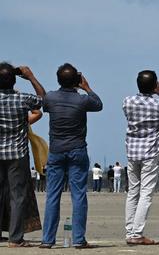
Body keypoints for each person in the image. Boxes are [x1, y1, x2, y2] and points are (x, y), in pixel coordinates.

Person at [40, 64, 102, 249]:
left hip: (56, 150)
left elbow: (42, 101)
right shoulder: (82, 100)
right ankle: (78, 239)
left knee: (52, 196)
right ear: (77, 80)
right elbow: (98, 104)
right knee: (78, 195)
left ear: (58, 80)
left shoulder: (50, 98)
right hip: (77, 149)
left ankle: (47, 239)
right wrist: (86, 87)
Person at [123, 70, 159, 245]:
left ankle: (130, 231)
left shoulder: (128, 101)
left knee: (132, 192)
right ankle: (137, 234)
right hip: (150, 152)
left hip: (132, 152)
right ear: (155, 86)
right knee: (146, 194)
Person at [0, 63, 45, 248]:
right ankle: (15, 237)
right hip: (17, 153)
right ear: (14, 80)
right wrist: (31, 77)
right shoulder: (22, 99)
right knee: (17, 195)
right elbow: (44, 99)